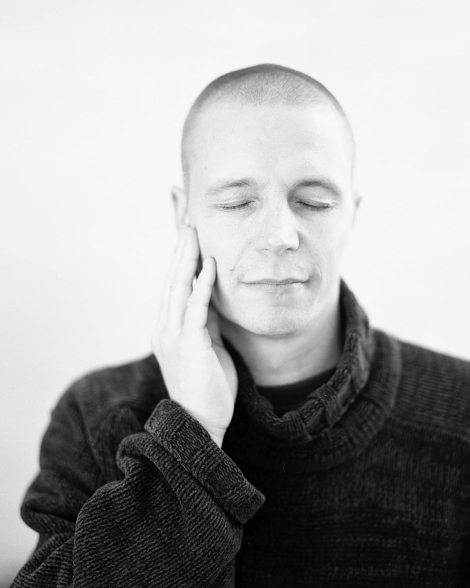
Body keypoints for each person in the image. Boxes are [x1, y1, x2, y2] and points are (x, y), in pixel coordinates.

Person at [12, 64, 470, 587]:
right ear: (184, 215)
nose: (280, 235)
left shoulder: (462, 410)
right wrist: (193, 435)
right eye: (237, 202)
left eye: (314, 202)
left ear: (352, 215)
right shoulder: (97, 414)